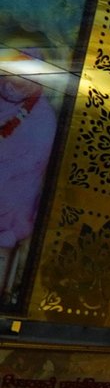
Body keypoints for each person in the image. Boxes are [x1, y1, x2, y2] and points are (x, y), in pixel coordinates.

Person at [0, 48, 57, 304]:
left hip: (9, 213)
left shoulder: (43, 119)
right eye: (14, 72)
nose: (16, 81)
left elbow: (27, 170)